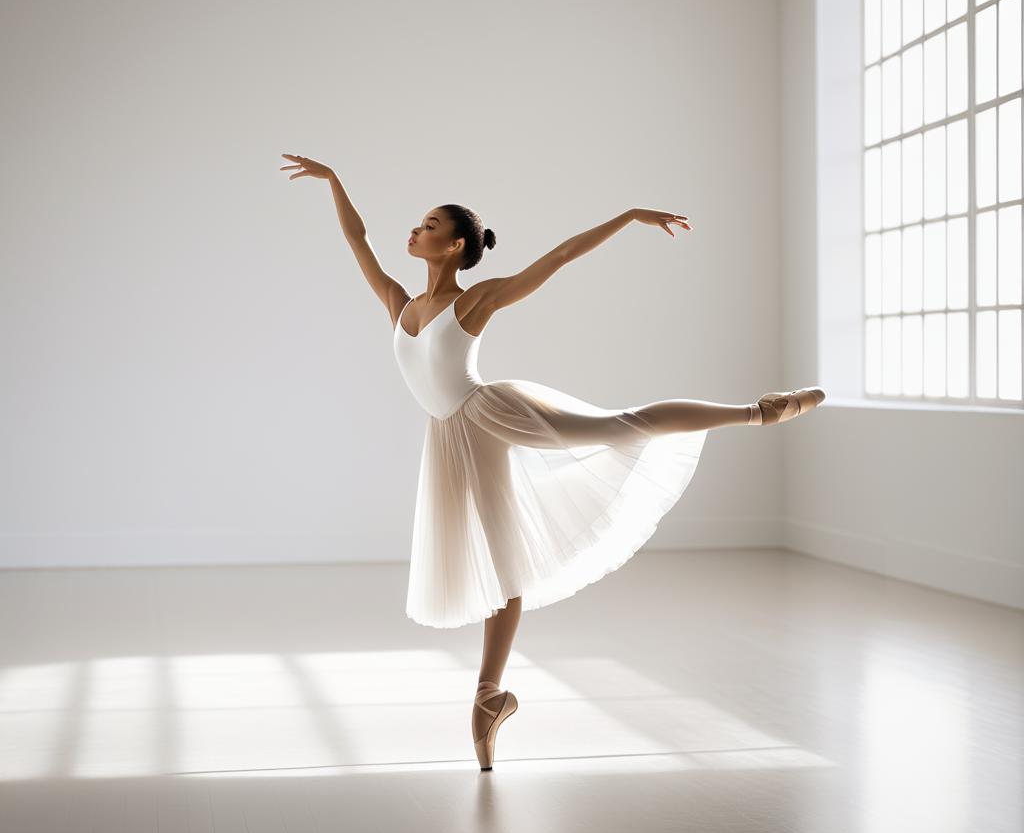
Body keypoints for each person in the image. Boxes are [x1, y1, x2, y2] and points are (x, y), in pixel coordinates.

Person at [280, 154, 826, 769]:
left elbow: (558, 258)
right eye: (417, 222)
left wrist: (627, 217)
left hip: (488, 415)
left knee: (619, 428)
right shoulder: (398, 303)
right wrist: (333, 181)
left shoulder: (477, 299)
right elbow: (357, 238)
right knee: (501, 564)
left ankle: (757, 411)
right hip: (447, 438)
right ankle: (490, 697)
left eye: (428, 224)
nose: (414, 230)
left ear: (455, 245)